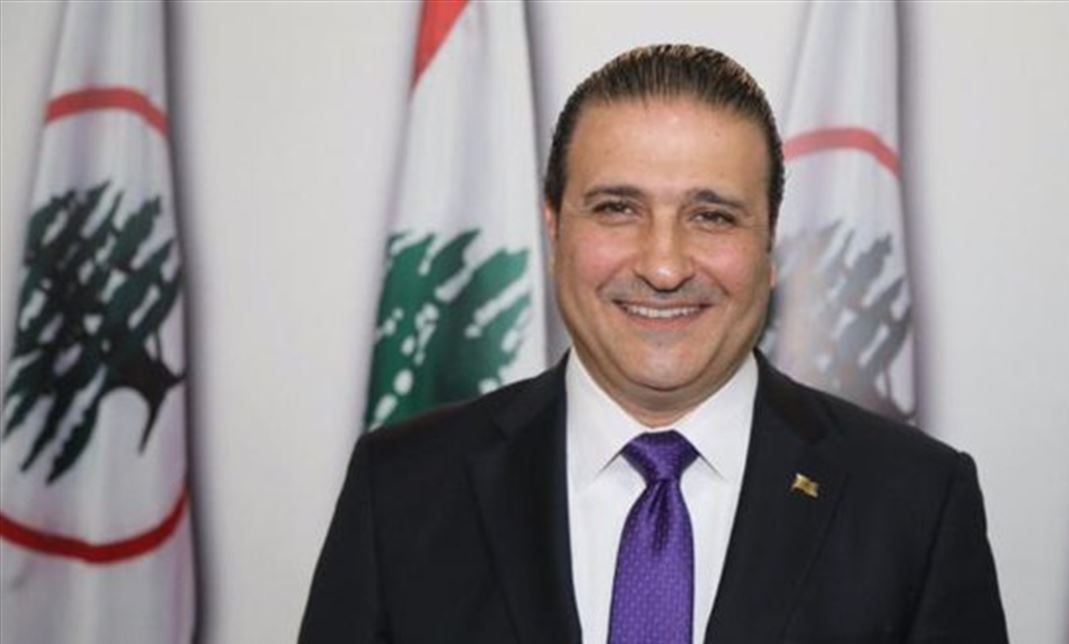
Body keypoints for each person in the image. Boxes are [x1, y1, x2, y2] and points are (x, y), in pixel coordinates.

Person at [300, 44, 1007, 644]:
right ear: (555, 228)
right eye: (617, 209)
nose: (664, 266)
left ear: (768, 243)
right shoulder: (400, 490)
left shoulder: (916, 503)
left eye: (712, 216)